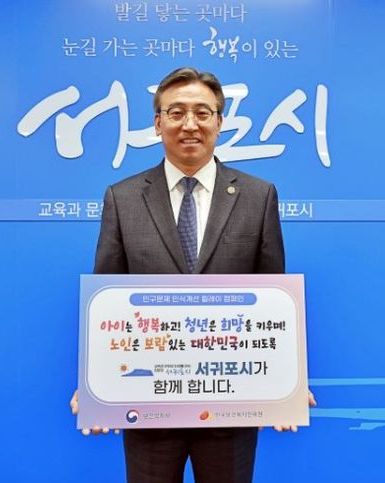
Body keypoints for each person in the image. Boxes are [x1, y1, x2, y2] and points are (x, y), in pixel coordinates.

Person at [71, 67, 316, 483]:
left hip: (231, 406)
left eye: (202, 113)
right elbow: (106, 296)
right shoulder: (122, 198)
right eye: (176, 112)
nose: (190, 124)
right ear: (157, 122)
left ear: (219, 122)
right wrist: (95, 383)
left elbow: (273, 296)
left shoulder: (258, 196)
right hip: (149, 404)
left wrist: (286, 382)